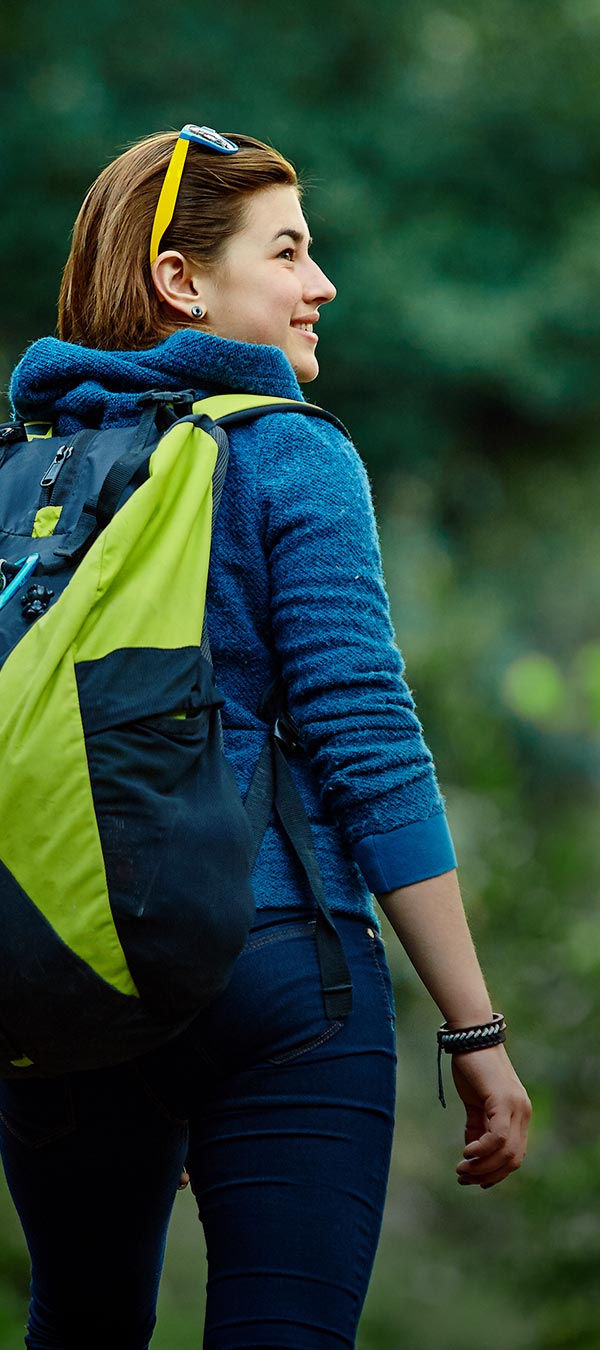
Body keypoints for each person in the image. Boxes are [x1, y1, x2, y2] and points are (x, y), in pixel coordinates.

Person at [0, 124, 531, 1350]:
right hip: (279, 965)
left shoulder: (24, 472)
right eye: (287, 252)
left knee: (79, 1325)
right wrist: (474, 1029)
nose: (321, 284)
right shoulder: (286, 448)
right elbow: (366, 739)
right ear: (181, 281)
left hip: (63, 981)